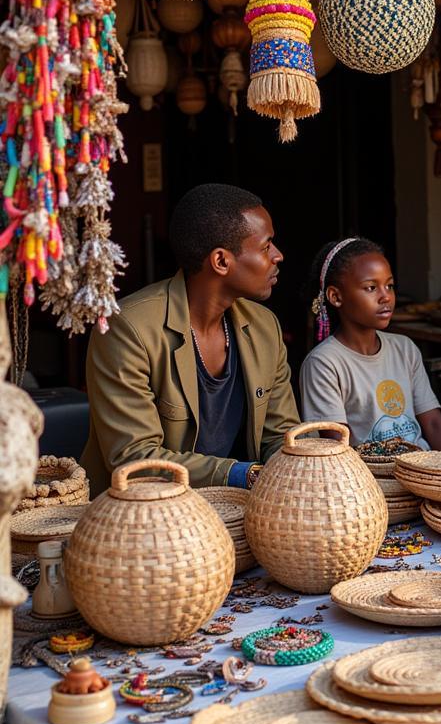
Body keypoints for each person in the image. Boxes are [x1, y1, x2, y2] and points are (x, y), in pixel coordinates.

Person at [81, 184, 300, 494]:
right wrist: (241, 475)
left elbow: (281, 437)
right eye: (266, 246)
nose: (278, 256)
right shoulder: (128, 330)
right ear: (221, 261)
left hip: (242, 512)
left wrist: (303, 465)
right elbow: (135, 459)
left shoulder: (265, 327)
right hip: (141, 520)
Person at [300, 238, 441, 451]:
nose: (386, 296)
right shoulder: (324, 363)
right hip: (370, 479)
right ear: (336, 297)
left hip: (423, 470)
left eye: (389, 285)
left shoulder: (405, 348)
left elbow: (433, 422)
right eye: (371, 287)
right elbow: (337, 448)